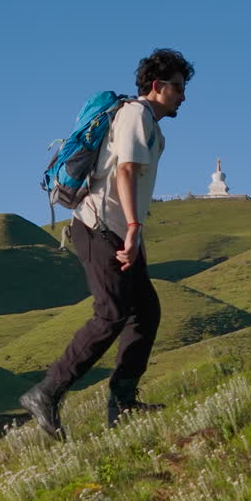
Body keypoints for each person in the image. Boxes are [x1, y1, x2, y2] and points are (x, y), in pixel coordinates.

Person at [21, 48, 195, 440]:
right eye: (179, 88)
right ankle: (46, 394)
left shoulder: (149, 123)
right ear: (158, 86)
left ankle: (123, 402)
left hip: (116, 230)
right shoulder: (135, 115)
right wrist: (133, 227)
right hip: (99, 228)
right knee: (112, 313)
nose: (184, 96)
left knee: (145, 311)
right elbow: (126, 173)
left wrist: (135, 234)